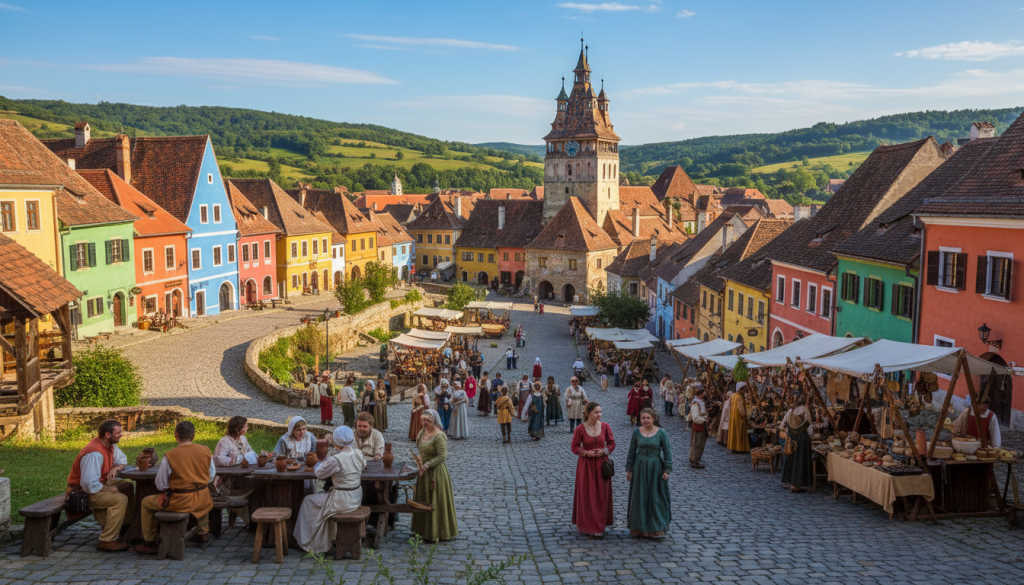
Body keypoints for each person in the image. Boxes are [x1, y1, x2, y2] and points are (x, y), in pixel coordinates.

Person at [134, 421, 215, 553]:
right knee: (202, 494)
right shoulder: (206, 451)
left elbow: (161, 485)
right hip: (204, 498)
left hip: (181, 502)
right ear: (193, 435)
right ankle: (203, 532)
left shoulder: (170, 456)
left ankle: (149, 541)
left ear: (175, 435)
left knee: (146, 503)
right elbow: (211, 475)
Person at [66, 419, 135, 551]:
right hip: (81, 494)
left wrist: (115, 468)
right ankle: (107, 540)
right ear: (108, 435)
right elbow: (88, 484)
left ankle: (124, 527)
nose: (121, 434)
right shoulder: (95, 453)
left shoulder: (110, 446)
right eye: (118, 432)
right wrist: (109, 489)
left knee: (127, 487)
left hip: (95, 487)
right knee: (120, 499)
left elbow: (122, 460)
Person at [294, 426, 366, 552]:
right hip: (355, 496)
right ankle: (328, 536)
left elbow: (320, 474)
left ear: (337, 441)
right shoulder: (358, 453)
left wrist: (317, 463)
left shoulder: (336, 459)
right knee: (320, 498)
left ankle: (307, 541)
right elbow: (363, 465)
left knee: (308, 501)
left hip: (341, 500)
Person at [411, 410, 458, 542]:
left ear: (434, 421)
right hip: (423, 473)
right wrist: (420, 461)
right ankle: (422, 530)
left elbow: (443, 456)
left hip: (436, 473)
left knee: (436, 500)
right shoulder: (421, 433)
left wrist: (427, 465)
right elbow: (420, 449)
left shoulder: (439, 436)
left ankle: (439, 532)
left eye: (428, 420)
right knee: (423, 499)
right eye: (423, 420)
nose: (425, 423)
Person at [626, 408, 672, 538]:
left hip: (655, 467)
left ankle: (656, 526)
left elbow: (667, 452)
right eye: (643, 418)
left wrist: (667, 470)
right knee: (640, 497)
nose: (645, 420)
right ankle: (640, 527)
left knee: (656, 498)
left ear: (653, 418)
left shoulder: (661, 432)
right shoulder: (636, 432)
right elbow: (631, 451)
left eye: (648, 418)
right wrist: (629, 469)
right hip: (639, 467)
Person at [571, 402, 615, 537]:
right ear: (588, 413)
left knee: (601, 494)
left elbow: (612, 443)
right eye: (596, 412)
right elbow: (574, 446)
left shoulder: (606, 426)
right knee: (587, 495)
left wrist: (604, 452)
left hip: (602, 465)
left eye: (600, 412)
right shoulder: (580, 429)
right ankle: (589, 525)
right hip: (586, 466)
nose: (599, 415)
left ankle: (599, 525)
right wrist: (585, 453)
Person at [780, 405, 813, 493]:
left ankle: (790, 482)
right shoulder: (804, 411)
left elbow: (782, 426)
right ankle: (795, 484)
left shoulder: (790, 413)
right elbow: (810, 430)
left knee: (792, 460)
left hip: (792, 439)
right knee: (799, 462)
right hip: (802, 441)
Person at [688, 387, 709, 469]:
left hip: (700, 425)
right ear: (700, 394)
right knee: (697, 443)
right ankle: (694, 460)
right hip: (698, 425)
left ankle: (693, 458)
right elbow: (695, 417)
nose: (705, 394)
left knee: (697, 443)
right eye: (703, 393)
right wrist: (704, 420)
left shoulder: (700, 402)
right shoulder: (696, 404)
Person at [727, 384, 750, 453]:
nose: (744, 391)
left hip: (733, 416)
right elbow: (741, 409)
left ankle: (733, 447)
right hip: (738, 417)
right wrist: (745, 415)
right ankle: (739, 448)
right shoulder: (739, 397)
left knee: (734, 432)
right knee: (739, 432)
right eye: (743, 389)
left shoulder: (734, 395)